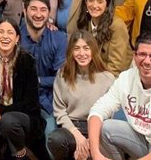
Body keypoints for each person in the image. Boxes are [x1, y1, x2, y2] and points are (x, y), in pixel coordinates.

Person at [0, 18, 44, 160]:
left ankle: (21, 153)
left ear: (17, 38)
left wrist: (1, 112)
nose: (5, 36)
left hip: (22, 118)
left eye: (10, 32)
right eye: (1, 32)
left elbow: (31, 103)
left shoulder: (27, 61)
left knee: (8, 120)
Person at [48, 30, 115, 160]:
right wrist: (78, 137)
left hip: (98, 129)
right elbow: (59, 112)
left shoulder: (107, 78)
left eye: (86, 48)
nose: (82, 53)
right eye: (76, 49)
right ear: (71, 52)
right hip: (72, 127)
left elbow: (109, 115)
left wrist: (90, 141)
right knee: (55, 139)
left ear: (93, 51)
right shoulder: (62, 76)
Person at [19, 0, 67, 124]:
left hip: (48, 101)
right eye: (33, 9)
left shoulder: (59, 38)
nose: (38, 14)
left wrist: (38, 80)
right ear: (24, 11)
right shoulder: (14, 38)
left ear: (49, 13)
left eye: (43, 10)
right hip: (19, 101)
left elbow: (61, 78)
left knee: (50, 133)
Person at [75, 0, 132, 76]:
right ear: (85, 2)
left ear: (107, 6)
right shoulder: (84, 22)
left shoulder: (117, 26)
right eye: (91, 0)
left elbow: (115, 67)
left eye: (100, 2)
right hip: (91, 74)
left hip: (113, 77)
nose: (94, 5)